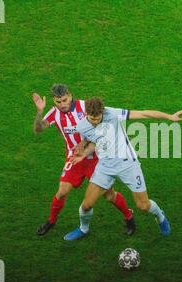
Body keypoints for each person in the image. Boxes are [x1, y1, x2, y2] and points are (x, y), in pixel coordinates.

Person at [63, 97, 182, 240]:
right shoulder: (82, 126)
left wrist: (169, 117)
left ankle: (160, 216)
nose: (96, 122)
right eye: (93, 119)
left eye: (98, 119)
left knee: (143, 205)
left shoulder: (113, 113)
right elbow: (95, 140)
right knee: (86, 205)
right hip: (105, 166)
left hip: (127, 164)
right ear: (86, 114)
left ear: (103, 112)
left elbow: (143, 114)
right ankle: (83, 229)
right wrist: (84, 153)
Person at [32, 84, 136, 236]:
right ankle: (51, 221)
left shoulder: (85, 106)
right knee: (61, 192)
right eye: (58, 102)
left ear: (70, 95)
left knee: (109, 195)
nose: (62, 105)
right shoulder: (54, 113)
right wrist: (40, 111)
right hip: (74, 158)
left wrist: (85, 144)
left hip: (96, 158)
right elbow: (38, 129)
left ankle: (129, 217)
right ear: (54, 100)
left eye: (65, 100)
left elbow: (101, 126)